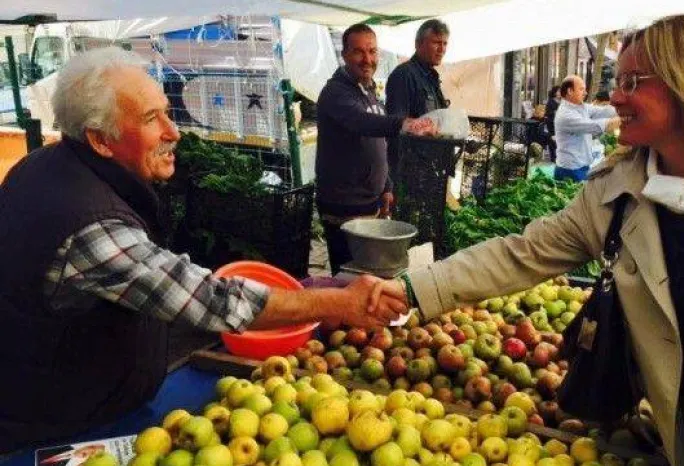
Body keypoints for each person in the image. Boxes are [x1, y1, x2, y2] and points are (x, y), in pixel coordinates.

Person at [374, 14, 684, 466]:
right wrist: (413, 288)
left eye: (632, 81)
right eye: (617, 81)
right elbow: (522, 252)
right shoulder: (615, 192)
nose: (615, 97)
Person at [0, 47, 406, 452]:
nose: (173, 131)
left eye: (165, 111)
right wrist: (338, 303)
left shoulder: (47, 165)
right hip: (56, 429)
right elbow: (209, 302)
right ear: (101, 140)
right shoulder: (87, 223)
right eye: (149, 119)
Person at [315, 24, 435, 275]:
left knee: (370, 277)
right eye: (359, 52)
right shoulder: (335, 93)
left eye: (372, 51)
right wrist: (404, 123)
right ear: (345, 55)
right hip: (345, 209)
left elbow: (377, 144)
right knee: (349, 281)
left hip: (371, 204)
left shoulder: (367, 90)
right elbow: (362, 123)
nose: (367, 59)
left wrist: (387, 186)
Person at [385, 19, 451, 179]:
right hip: (408, 169)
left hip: (428, 166)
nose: (441, 49)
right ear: (418, 44)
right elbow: (397, 124)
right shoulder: (404, 75)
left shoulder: (430, 77)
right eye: (436, 42)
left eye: (445, 43)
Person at [553, 75, 620, 182]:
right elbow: (596, 126)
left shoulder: (581, 107)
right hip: (570, 170)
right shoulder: (566, 115)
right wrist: (626, 117)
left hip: (581, 167)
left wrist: (623, 108)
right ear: (570, 91)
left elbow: (603, 111)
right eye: (581, 89)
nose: (585, 93)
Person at [544, 85, 562, 162]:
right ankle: (553, 158)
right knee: (553, 141)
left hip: (560, 124)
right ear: (554, 92)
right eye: (558, 91)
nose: (560, 93)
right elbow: (549, 113)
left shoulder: (562, 101)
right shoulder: (551, 102)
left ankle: (559, 157)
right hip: (552, 124)